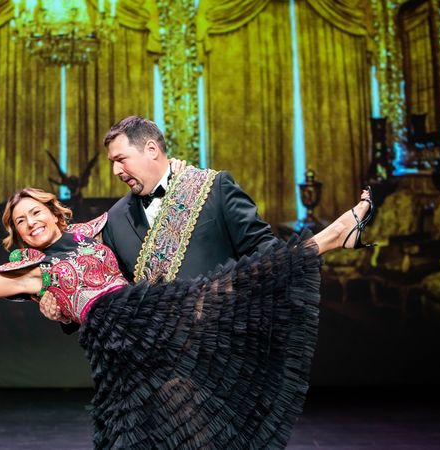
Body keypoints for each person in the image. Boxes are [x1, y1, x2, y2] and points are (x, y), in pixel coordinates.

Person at [0, 186, 375, 449]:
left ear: (54, 211)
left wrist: (171, 172)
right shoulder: (27, 271)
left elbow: (144, 192)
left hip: (146, 315)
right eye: (21, 221)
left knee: (230, 295)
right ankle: (331, 238)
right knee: (133, 431)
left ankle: (331, 237)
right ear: (16, 233)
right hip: (116, 338)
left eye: (36, 212)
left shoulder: (90, 231)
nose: (31, 222)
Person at [40, 115, 279, 327]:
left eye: (121, 159)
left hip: (227, 337)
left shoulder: (214, 188)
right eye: (112, 162)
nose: (115, 171)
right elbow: (105, 289)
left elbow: (265, 250)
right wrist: (63, 312)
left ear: (152, 149)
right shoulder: (114, 219)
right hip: (160, 354)